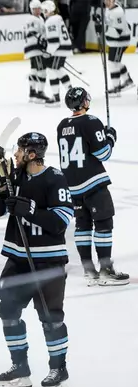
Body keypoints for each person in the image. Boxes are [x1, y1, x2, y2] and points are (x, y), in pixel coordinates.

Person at [0, 132, 72, 387]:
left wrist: (31, 211)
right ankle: (20, 368)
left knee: (51, 317)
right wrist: (1, 184)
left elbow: (61, 221)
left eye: (20, 150)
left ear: (32, 154)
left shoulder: (55, 179)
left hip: (48, 262)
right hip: (18, 259)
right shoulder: (16, 177)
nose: (15, 154)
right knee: (8, 312)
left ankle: (59, 369)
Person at [57, 87, 128, 285]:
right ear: (85, 102)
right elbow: (104, 153)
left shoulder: (62, 125)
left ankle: (89, 270)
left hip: (72, 185)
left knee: (83, 226)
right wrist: (110, 137)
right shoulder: (91, 121)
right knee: (104, 224)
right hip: (93, 183)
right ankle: (106, 270)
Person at [42, 0, 72, 106]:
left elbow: (54, 42)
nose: (44, 13)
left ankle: (61, 96)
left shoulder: (51, 21)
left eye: (45, 10)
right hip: (62, 48)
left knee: (54, 70)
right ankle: (66, 93)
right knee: (55, 70)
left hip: (59, 49)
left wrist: (48, 53)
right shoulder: (57, 18)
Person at [103, 0, 134, 95]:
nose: (106, 2)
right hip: (114, 42)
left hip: (119, 42)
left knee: (113, 63)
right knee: (115, 62)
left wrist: (103, 29)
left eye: (109, 0)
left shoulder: (117, 12)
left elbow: (118, 32)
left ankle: (116, 87)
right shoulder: (109, 9)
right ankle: (128, 81)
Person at [24, 0, 49, 103]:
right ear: (32, 9)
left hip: (35, 48)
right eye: (36, 8)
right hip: (35, 48)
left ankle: (32, 92)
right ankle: (40, 93)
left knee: (34, 70)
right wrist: (42, 42)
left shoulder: (40, 18)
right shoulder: (32, 19)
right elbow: (32, 33)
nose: (38, 10)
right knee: (41, 71)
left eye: (39, 8)